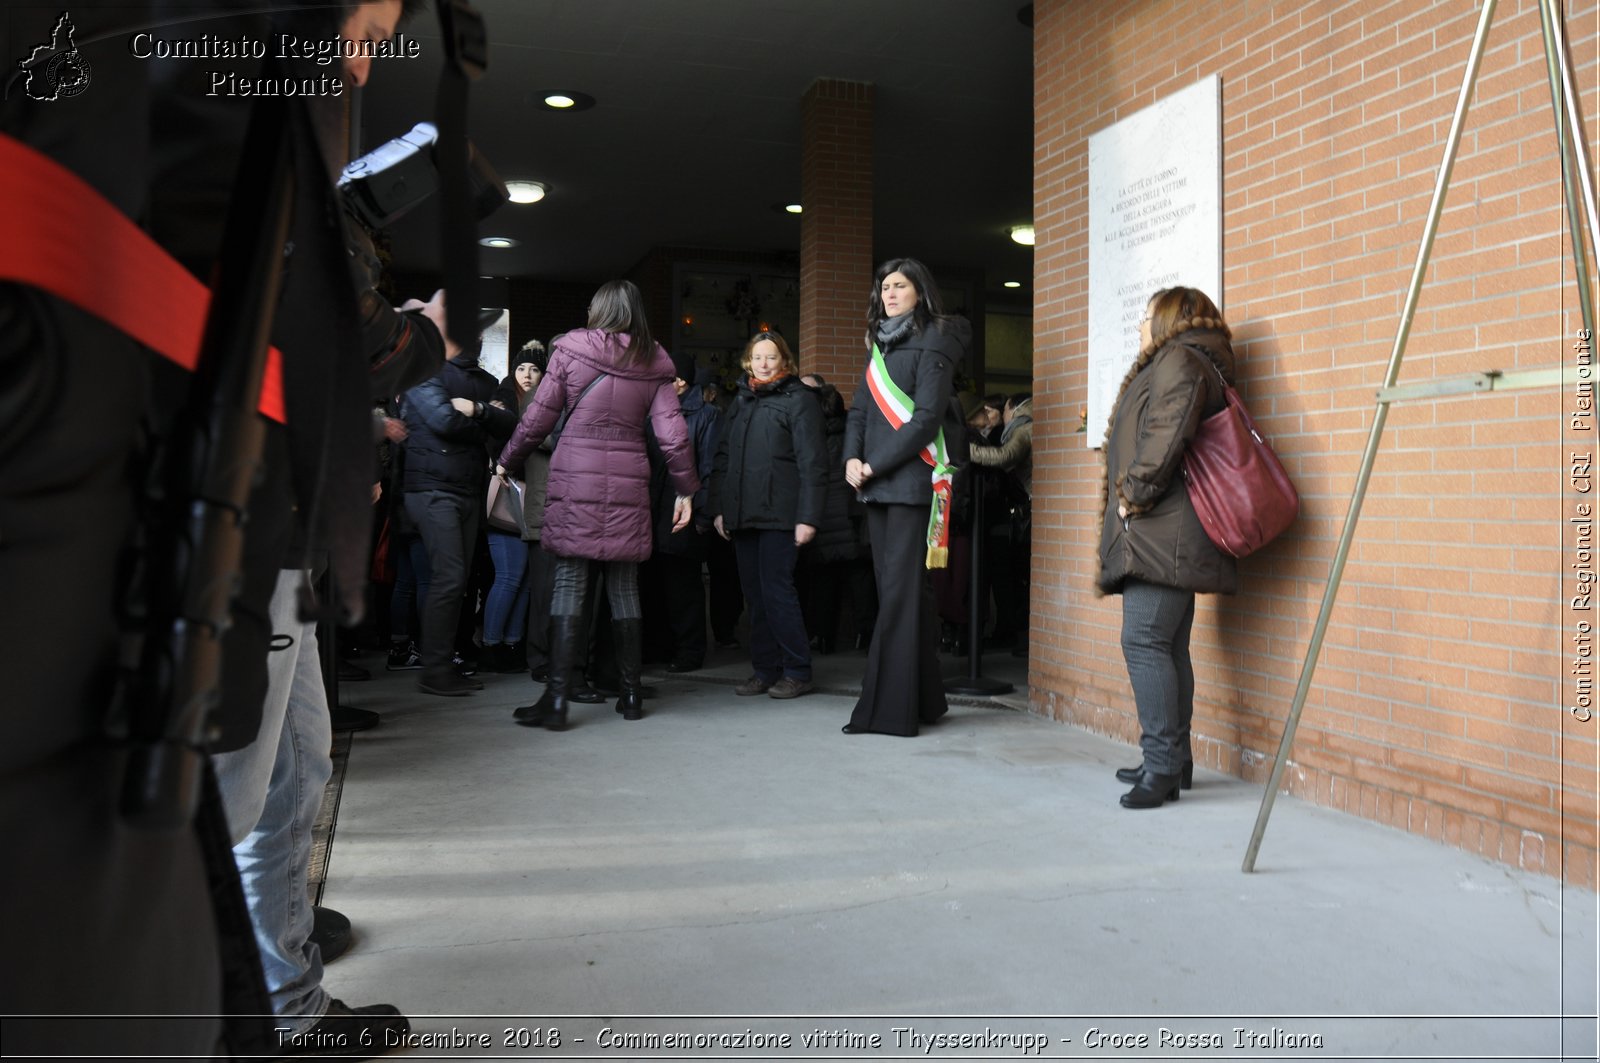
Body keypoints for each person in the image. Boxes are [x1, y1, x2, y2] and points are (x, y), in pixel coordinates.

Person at [498, 280, 699, 728]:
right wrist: (686, 490)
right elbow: (672, 435)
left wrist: (507, 460)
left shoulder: (569, 350)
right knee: (625, 586)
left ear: (599, 310)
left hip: (575, 477)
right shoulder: (654, 362)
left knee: (570, 581)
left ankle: (555, 700)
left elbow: (537, 418)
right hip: (629, 483)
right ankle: (630, 697)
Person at [1097, 286, 1239, 808]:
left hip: (1164, 529)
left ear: (1170, 318)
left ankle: (1161, 768)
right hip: (1172, 530)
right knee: (1167, 646)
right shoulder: (1193, 360)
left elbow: (1166, 432)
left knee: (1144, 642)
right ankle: (1172, 760)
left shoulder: (1178, 359)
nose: (1140, 323)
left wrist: (1132, 495)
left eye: (1146, 314)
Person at [842, 257, 969, 736]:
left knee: (897, 597)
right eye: (884, 287)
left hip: (913, 486)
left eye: (900, 286)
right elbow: (858, 410)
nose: (890, 293)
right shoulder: (879, 342)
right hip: (875, 486)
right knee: (900, 595)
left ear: (920, 290)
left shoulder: (936, 338)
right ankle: (926, 701)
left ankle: (886, 712)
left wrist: (875, 463)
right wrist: (851, 460)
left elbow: (926, 418)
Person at [400, 324, 516, 696]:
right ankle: (434, 669)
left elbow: (511, 424)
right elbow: (443, 420)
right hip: (432, 490)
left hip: (467, 489)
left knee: (459, 581)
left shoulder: (486, 380)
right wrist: (485, 419)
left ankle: (443, 662)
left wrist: (476, 410)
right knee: (448, 578)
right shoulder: (424, 371)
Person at [710, 332, 828, 699]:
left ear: (785, 362)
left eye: (771, 358)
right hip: (744, 515)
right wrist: (720, 510)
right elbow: (723, 458)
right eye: (757, 357)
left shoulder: (800, 400)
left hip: (782, 513)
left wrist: (808, 517)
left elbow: (814, 463)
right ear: (748, 362)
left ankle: (797, 670)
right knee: (755, 596)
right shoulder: (742, 400)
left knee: (778, 592)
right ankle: (764, 670)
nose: (763, 364)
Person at [648, 360, 721, 673]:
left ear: (684, 382)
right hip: (652, 511)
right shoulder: (652, 413)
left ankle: (690, 652)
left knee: (684, 587)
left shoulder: (707, 416)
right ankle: (659, 649)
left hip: (684, 512)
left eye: (673, 378)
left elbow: (709, 467)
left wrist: (703, 514)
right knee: (654, 583)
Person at [480, 345, 543, 673]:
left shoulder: (546, 403)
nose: (528, 376)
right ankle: (491, 645)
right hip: (507, 497)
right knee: (509, 575)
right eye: (522, 369)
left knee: (527, 579)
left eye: (534, 370)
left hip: (533, 501)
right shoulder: (503, 401)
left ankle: (512, 643)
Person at [969, 391, 1034, 653]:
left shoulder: (1024, 428)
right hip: (1024, 509)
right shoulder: (1027, 426)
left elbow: (1004, 457)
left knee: (1022, 578)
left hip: (1027, 510)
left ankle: (1025, 639)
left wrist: (967, 451)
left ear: (1012, 408)